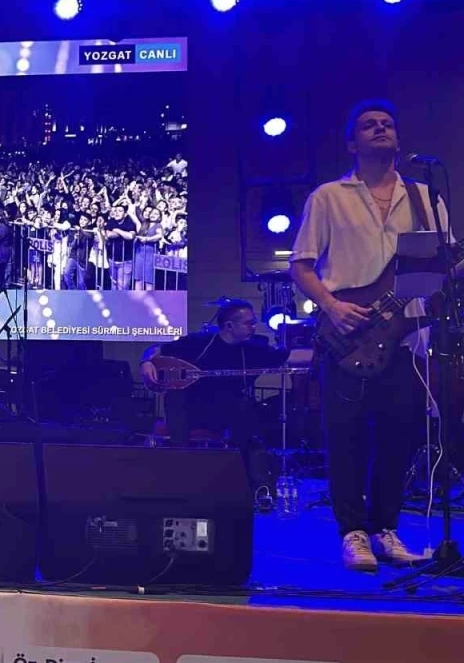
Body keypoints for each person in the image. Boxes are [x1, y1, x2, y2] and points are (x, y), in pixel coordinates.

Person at [289, 100, 445, 571]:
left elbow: (444, 261)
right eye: (369, 125)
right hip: (348, 333)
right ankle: (352, 532)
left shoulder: (424, 196)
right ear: (352, 143)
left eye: (388, 124)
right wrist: (332, 306)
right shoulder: (328, 197)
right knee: (346, 437)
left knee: (399, 436)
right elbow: (301, 265)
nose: (380, 129)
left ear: (399, 139)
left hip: (406, 336)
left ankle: (384, 529)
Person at [140, 300, 291, 449]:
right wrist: (146, 363)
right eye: (248, 324)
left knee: (245, 409)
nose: (253, 327)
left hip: (228, 411)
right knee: (176, 397)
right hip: (192, 408)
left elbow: (288, 356)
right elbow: (155, 349)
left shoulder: (254, 349)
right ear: (229, 326)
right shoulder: (198, 342)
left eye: (254, 323)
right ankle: (181, 454)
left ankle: (244, 459)